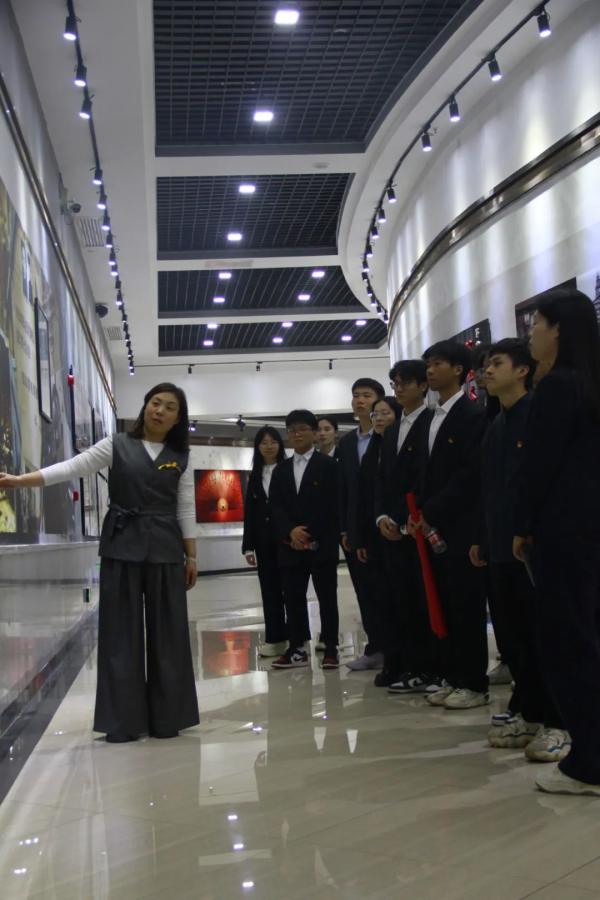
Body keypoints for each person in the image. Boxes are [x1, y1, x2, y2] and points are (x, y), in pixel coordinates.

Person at [0, 383, 200, 743]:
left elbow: (186, 508)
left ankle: (167, 719)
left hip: (166, 550)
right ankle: (122, 723)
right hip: (121, 545)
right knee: (119, 634)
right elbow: (72, 467)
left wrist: (192, 556)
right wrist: (20, 481)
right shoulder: (116, 445)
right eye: (155, 403)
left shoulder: (182, 456)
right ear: (144, 406)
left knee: (169, 634)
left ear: (177, 419)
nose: (160, 411)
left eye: (170, 407)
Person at [513, 287, 600, 796]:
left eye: (537, 325)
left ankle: (589, 763)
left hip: (563, 533)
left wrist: (521, 525)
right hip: (590, 530)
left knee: (567, 644)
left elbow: (538, 466)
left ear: (559, 329)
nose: (531, 335)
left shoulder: (558, 387)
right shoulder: (590, 384)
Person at [470, 339, 569, 760]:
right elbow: (489, 489)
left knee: (545, 636)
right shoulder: (496, 425)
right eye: (485, 365)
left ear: (523, 370)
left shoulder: (539, 416)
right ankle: (529, 713)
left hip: (532, 547)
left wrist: (528, 530)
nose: (488, 372)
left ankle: (560, 722)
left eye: (497, 363)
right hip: (498, 548)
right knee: (513, 640)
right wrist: (482, 537)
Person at [409, 341, 489, 709]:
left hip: (461, 526)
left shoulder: (472, 414)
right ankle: (451, 675)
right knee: (442, 603)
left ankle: (473, 683)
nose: (430, 370)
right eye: (428, 363)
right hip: (432, 527)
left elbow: (469, 475)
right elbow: (424, 473)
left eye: (438, 363)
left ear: (459, 369)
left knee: (466, 605)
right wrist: (417, 511)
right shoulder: (431, 417)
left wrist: (432, 510)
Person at [375, 361, 441, 692]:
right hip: (393, 530)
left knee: (427, 599)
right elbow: (382, 481)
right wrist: (382, 517)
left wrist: (403, 517)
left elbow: (424, 478)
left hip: (420, 525)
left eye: (406, 383)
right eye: (395, 383)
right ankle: (413, 667)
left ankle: (434, 668)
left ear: (422, 385)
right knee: (402, 600)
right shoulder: (391, 431)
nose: (399, 388)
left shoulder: (431, 422)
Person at [269, 410, 341, 671]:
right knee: (293, 598)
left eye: (302, 429)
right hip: (291, 546)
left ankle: (330, 647)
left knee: (327, 597)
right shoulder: (281, 469)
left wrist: (306, 532)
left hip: (321, 543)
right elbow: (275, 505)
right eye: (292, 430)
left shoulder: (329, 465)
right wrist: (291, 531)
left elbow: (332, 504)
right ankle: (297, 648)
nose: (296, 434)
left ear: (314, 433)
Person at [338, 377, 386, 669]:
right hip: (356, 529)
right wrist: (346, 529)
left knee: (388, 590)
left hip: (385, 526)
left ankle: (398, 649)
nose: (359, 400)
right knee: (365, 591)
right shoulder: (346, 442)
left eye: (366, 395)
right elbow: (343, 489)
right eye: (356, 395)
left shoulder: (387, 435)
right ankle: (376, 647)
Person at [355, 396, 401, 678]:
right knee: (379, 600)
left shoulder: (401, 446)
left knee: (400, 599)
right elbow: (362, 498)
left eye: (386, 413)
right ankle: (388, 657)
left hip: (399, 531)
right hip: (373, 535)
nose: (380, 418)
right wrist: (360, 538)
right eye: (376, 414)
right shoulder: (371, 452)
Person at [243, 426, 289, 658]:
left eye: (273, 442)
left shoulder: (288, 470)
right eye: (264, 442)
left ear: (280, 445)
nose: (269, 446)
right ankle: (276, 639)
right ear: (257, 447)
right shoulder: (255, 476)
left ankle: (298, 638)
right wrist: (248, 546)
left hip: (288, 540)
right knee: (270, 592)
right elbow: (250, 513)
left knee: (292, 591)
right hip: (263, 542)